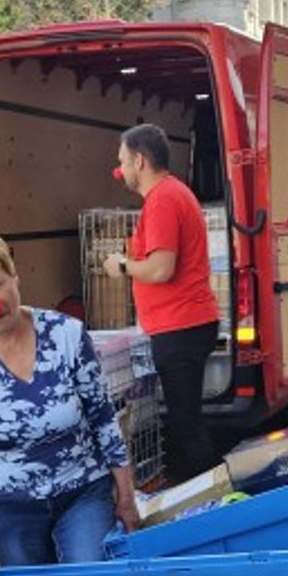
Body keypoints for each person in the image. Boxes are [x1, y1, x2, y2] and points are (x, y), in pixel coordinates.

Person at [0, 230, 140, 567]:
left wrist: (126, 499)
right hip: (8, 506)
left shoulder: (66, 334)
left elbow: (103, 419)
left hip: (82, 491)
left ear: (15, 276)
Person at [103, 123, 220, 482]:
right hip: (183, 324)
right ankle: (206, 493)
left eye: (122, 160)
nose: (119, 168)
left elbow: (160, 268)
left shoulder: (163, 200)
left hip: (181, 326)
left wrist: (121, 265)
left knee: (186, 425)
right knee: (186, 421)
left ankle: (217, 500)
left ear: (139, 160)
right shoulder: (171, 195)